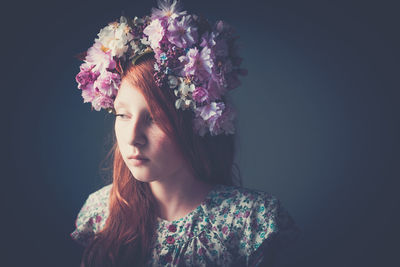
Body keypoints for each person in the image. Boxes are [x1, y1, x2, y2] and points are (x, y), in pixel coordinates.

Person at [71, 1, 301, 266]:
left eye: (155, 118)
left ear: (195, 122)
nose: (133, 137)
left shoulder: (254, 221)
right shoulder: (100, 213)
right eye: (123, 115)